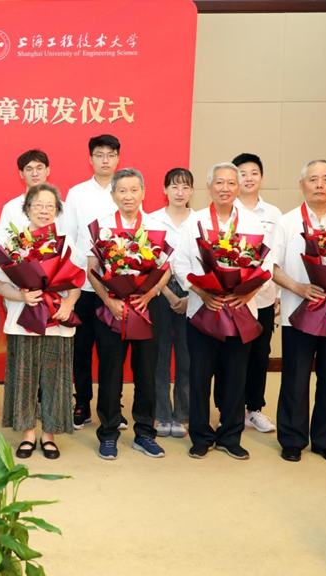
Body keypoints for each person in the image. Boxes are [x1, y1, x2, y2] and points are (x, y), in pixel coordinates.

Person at [171, 163, 267, 461]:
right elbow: (179, 263)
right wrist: (202, 292)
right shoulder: (195, 221)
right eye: (219, 183)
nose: (225, 188)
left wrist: (247, 293)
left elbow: (264, 265)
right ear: (209, 187)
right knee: (199, 376)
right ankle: (201, 436)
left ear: (238, 188)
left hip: (240, 312)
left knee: (236, 377)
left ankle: (230, 436)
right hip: (203, 312)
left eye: (231, 183)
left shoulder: (252, 223)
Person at [272, 159, 326, 465]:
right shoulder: (287, 222)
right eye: (313, 179)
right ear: (302, 185)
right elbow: (271, 267)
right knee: (295, 378)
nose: (319, 184)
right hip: (299, 311)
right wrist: (298, 288)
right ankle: (292, 440)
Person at [80, 168, 170, 460]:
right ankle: (108, 434)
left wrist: (151, 294)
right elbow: (92, 270)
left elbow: (166, 269)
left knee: (146, 372)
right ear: (113, 194)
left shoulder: (156, 226)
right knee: (110, 372)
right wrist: (108, 301)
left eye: (134, 190)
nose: (128, 196)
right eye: (122, 190)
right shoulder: (101, 227)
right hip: (112, 309)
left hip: (146, 307)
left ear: (143, 192)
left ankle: (145, 433)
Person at [0, 184, 80, 459]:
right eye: (38, 205)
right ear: (27, 208)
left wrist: (68, 303)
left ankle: (49, 435)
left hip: (57, 319)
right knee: (24, 378)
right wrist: (21, 296)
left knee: (55, 378)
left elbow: (76, 283)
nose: (44, 211)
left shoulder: (67, 243)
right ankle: (28, 434)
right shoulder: (15, 243)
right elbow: (0, 284)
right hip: (23, 319)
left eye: (49, 206)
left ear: (57, 211)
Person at [62, 135, 121, 430]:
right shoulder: (77, 193)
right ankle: (82, 403)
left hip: (117, 287)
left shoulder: (125, 188)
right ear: (90, 159)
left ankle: (113, 406)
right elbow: (69, 237)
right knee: (81, 349)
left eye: (111, 154)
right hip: (83, 286)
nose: (105, 160)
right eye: (99, 155)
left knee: (113, 352)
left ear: (118, 158)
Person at [230, 153, 281, 433]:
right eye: (242, 173)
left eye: (254, 173)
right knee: (233, 356)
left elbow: (277, 257)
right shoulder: (227, 209)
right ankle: (230, 409)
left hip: (263, 298)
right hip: (233, 298)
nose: (248, 178)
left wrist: (278, 295)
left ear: (261, 177)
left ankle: (254, 410)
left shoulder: (273, 214)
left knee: (260, 355)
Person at [149, 168, 194, 439]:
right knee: (160, 355)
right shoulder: (152, 220)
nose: (180, 192)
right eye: (174, 186)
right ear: (165, 189)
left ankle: (182, 416)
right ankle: (163, 415)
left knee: (187, 357)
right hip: (160, 292)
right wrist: (166, 292)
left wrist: (190, 296)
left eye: (185, 187)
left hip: (193, 293)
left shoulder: (199, 221)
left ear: (192, 191)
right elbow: (149, 262)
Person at [0, 149, 63, 241]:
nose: (34, 174)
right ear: (21, 174)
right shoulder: (10, 208)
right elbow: (2, 242)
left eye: (39, 168)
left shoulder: (61, 206)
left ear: (47, 171)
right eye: (29, 169)